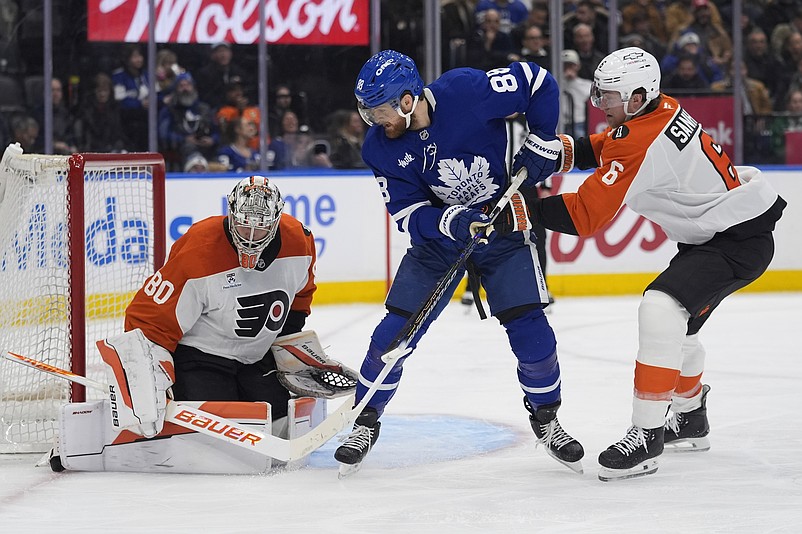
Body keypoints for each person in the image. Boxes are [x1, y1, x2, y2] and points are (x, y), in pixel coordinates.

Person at [508, 47, 786, 481]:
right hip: (726, 234)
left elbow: (586, 214)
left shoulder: (641, 137)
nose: (601, 105)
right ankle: (691, 419)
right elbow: (608, 146)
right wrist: (558, 153)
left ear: (639, 96)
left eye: (609, 98)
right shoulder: (656, 112)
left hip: (735, 242)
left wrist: (524, 209)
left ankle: (648, 434)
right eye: (598, 95)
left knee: (661, 307)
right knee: (680, 327)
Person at [333, 50, 583, 476]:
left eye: (380, 110)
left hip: (502, 229)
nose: (374, 120)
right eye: (367, 110)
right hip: (439, 244)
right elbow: (409, 215)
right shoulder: (379, 147)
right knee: (392, 335)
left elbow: (538, 81)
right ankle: (364, 421)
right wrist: (453, 220)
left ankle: (547, 418)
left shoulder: (467, 89)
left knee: (534, 336)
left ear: (409, 99)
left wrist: (542, 137)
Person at [47, 176, 357, 473]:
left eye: (260, 227)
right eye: (242, 224)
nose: (249, 235)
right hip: (202, 356)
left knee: (276, 422)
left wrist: (289, 348)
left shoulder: (299, 242)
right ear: (230, 212)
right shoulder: (199, 249)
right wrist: (152, 376)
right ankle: (94, 436)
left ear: (276, 221)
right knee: (219, 438)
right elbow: (149, 318)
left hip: (256, 357)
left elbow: (300, 296)